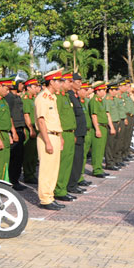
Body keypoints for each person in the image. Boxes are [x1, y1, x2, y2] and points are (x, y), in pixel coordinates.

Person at [35, 68, 65, 210]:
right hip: (47, 136)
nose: (61, 84)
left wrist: (60, 137)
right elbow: (41, 121)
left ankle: (50, 196)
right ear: (51, 82)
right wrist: (47, 141)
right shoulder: (43, 98)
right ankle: (45, 199)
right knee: (47, 170)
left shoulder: (52, 97)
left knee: (54, 170)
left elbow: (54, 120)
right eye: (59, 81)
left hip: (55, 135)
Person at [53, 72, 77, 203]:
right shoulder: (58, 98)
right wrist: (61, 136)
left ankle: (64, 188)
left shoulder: (66, 96)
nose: (71, 84)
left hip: (70, 132)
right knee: (62, 163)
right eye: (69, 82)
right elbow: (57, 118)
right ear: (62, 83)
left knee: (68, 163)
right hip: (63, 133)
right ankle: (59, 190)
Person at [2, 78, 26, 190]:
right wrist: (13, 132)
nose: (22, 85)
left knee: (19, 158)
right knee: (14, 158)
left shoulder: (17, 97)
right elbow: (9, 115)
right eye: (20, 83)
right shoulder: (9, 98)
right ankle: (12, 181)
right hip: (14, 129)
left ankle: (15, 180)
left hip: (20, 128)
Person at [67, 73, 89, 195]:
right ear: (72, 82)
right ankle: (71, 184)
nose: (80, 83)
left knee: (79, 159)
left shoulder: (75, 96)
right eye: (78, 81)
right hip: (75, 133)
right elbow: (72, 117)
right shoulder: (69, 96)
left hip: (81, 132)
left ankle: (74, 183)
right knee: (75, 160)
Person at [0, 78, 17, 182]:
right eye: (6, 88)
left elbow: (8, 117)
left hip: (5, 133)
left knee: (5, 162)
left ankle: (3, 183)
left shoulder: (3, 100)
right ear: (0, 86)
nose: (8, 91)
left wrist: (12, 133)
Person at [89, 81, 112, 178]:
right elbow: (94, 116)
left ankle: (99, 168)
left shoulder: (100, 100)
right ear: (97, 91)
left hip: (103, 126)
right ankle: (97, 169)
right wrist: (97, 129)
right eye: (103, 90)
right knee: (97, 150)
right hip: (99, 126)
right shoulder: (94, 101)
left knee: (101, 149)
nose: (105, 92)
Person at [21, 78, 41, 184]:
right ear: (28, 88)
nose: (37, 88)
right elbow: (26, 115)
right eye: (34, 86)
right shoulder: (26, 99)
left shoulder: (33, 99)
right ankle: (28, 175)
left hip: (36, 128)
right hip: (30, 130)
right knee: (29, 154)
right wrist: (31, 129)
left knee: (34, 154)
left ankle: (32, 173)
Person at [104, 81, 123, 170]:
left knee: (115, 144)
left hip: (116, 123)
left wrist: (118, 124)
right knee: (110, 145)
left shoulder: (113, 99)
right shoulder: (107, 100)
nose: (116, 91)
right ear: (110, 90)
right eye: (115, 90)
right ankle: (109, 163)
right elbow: (107, 114)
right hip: (111, 124)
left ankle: (114, 161)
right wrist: (111, 127)